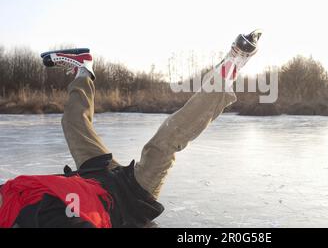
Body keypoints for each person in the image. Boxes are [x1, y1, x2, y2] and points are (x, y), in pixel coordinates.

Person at [0, 30, 262, 228]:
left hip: (96, 176)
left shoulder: (11, 194)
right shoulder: (30, 219)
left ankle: (84, 68)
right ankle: (231, 67)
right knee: (163, 145)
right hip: (131, 200)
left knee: (72, 123)